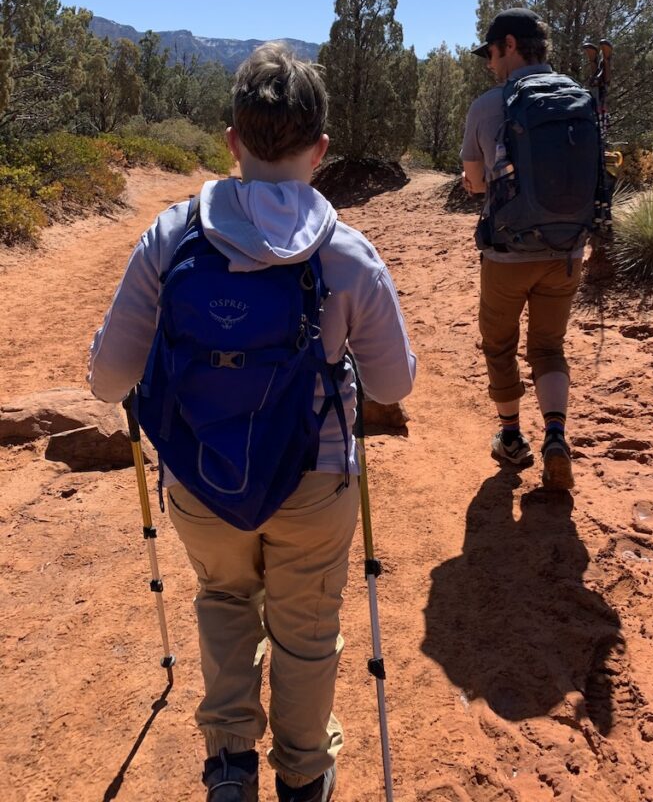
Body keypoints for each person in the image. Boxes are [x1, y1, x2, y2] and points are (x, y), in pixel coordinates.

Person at [89, 42, 416, 802]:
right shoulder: (346, 252)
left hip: (202, 478)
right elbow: (396, 381)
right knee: (306, 633)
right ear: (321, 150)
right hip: (316, 477)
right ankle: (304, 776)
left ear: (231, 139)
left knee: (225, 599)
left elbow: (110, 380)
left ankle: (230, 763)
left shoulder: (171, 237)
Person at [460, 8, 581, 492]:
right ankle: (555, 433)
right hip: (567, 250)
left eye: (491, 53)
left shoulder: (489, 105)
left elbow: (472, 182)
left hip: (508, 253)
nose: (490, 64)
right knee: (549, 347)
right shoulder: (577, 97)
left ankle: (511, 437)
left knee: (499, 343)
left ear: (509, 45)